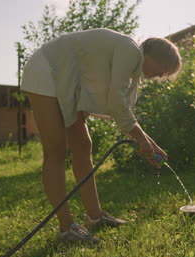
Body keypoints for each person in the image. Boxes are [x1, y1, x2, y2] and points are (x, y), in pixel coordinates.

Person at [20, 28, 182, 245]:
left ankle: (95, 217)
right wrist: (141, 138)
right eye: (164, 69)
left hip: (68, 82)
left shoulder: (132, 61)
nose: (162, 76)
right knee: (56, 149)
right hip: (47, 71)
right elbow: (116, 103)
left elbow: (121, 108)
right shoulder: (130, 51)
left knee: (82, 144)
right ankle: (66, 228)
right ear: (155, 57)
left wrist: (147, 141)